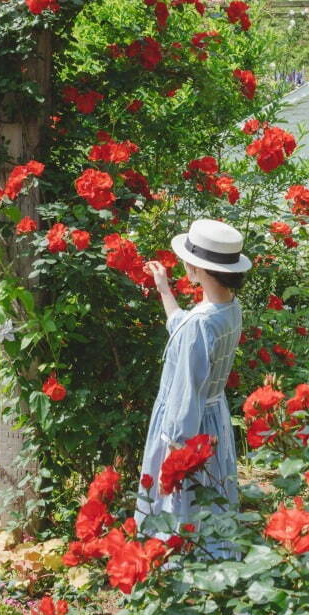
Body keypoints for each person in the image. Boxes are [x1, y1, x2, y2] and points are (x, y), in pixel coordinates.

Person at [134, 219, 249, 560]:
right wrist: (164, 290)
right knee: (212, 499)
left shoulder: (200, 325)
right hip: (214, 418)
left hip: (190, 429)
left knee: (182, 501)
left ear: (197, 268)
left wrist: (175, 448)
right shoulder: (229, 310)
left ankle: (181, 569)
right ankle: (217, 560)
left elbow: (186, 394)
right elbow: (182, 327)